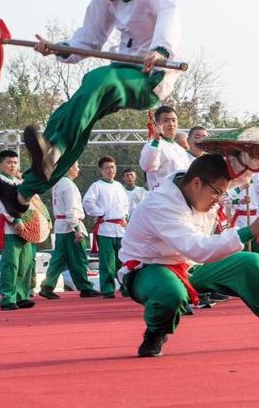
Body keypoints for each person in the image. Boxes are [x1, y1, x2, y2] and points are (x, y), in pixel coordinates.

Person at [0, 0, 182, 219]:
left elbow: (169, 13)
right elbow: (88, 40)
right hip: (123, 69)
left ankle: (53, 152)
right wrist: (59, 48)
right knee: (70, 114)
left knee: (97, 79)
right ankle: (21, 195)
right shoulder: (102, 2)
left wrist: (161, 49)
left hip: (151, 77)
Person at [117, 154, 259, 357]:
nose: (218, 200)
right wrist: (248, 231)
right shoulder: (161, 204)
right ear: (197, 183)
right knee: (170, 293)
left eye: (222, 193)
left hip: (190, 265)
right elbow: (196, 246)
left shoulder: (196, 184)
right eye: (217, 193)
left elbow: (238, 177)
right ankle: (156, 333)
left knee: (253, 263)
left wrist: (256, 159)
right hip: (149, 269)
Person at [38, 161, 99, 299]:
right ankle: (85, 287)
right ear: (69, 167)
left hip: (61, 227)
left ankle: (47, 285)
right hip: (70, 226)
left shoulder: (58, 183)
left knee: (59, 259)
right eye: (76, 165)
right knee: (78, 258)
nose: (78, 168)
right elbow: (71, 210)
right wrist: (76, 228)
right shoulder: (69, 185)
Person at [0, 150, 36, 310]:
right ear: (1, 164)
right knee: (11, 264)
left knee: (25, 264)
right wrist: (16, 219)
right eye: (9, 162)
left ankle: (21, 296)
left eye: (15, 162)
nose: (12, 165)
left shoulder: (20, 181)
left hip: (26, 228)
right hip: (10, 228)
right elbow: (2, 206)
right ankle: (8, 298)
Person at [83, 156, 131, 298]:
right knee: (107, 261)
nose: (111, 170)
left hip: (120, 228)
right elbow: (88, 202)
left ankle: (126, 286)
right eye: (108, 168)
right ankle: (108, 289)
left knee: (123, 260)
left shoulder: (119, 186)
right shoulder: (97, 186)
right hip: (106, 228)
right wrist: (100, 213)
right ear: (101, 170)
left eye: (113, 167)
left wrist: (126, 217)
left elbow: (125, 204)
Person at [139, 106, 192, 190]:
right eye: (166, 120)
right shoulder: (153, 144)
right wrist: (156, 139)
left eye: (174, 120)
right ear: (157, 124)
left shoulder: (180, 149)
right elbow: (148, 166)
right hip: (162, 199)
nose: (171, 124)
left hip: (180, 198)